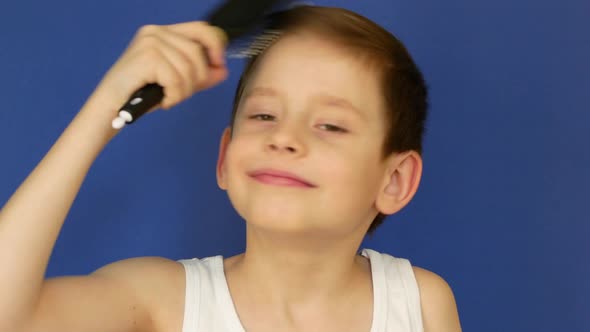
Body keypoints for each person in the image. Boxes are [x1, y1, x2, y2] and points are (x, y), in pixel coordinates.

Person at [0, 5, 461, 332]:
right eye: (263, 116)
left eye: (330, 125)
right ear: (225, 158)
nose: (283, 137)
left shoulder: (419, 303)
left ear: (394, 180)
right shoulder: (162, 300)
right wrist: (107, 107)